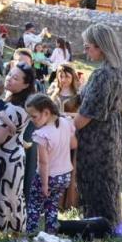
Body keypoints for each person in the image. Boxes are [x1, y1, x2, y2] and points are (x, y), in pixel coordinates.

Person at [75, 23, 122, 228]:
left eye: (87, 46)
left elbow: (86, 116)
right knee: (110, 180)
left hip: (96, 136)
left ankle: (97, 228)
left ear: (100, 46)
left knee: (95, 182)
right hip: (115, 130)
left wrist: (63, 126)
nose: (85, 50)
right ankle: (110, 223)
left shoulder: (102, 75)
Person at [0, 62, 34, 234]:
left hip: (5, 158)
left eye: (15, 78)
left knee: (2, 195)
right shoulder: (10, 103)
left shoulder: (13, 109)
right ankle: (2, 233)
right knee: (5, 195)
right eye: (10, 74)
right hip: (10, 156)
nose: (9, 78)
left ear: (25, 85)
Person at [25, 94, 76, 234]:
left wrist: (44, 184)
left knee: (34, 206)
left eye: (33, 116)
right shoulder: (66, 123)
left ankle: (30, 235)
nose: (31, 120)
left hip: (49, 177)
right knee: (52, 206)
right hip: (64, 176)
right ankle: (50, 234)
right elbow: (73, 144)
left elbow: (43, 162)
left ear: (46, 112)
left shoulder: (42, 134)